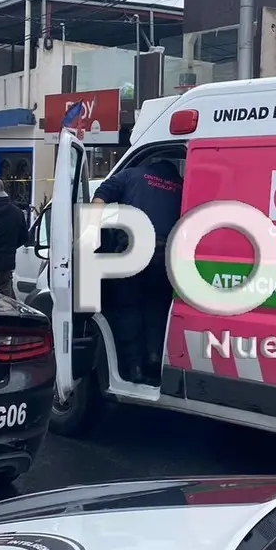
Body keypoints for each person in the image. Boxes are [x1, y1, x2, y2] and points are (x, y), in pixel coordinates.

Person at [93, 157, 183, 385]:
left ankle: (134, 367)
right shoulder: (181, 185)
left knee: (128, 308)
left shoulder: (132, 175)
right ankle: (154, 356)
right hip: (166, 256)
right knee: (156, 305)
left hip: (132, 252)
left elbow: (102, 194)